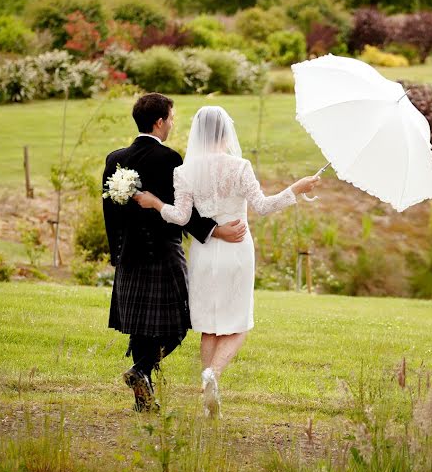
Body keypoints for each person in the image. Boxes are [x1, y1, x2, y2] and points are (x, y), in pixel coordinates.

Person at [133, 105, 319, 416]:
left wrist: (154, 203)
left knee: (209, 324)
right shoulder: (240, 166)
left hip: (205, 253)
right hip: (237, 251)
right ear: (225, 132)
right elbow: (261, 206)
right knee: (239, 321)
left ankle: (208, 404)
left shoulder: (184, 171)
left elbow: (179, 217)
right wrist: (296, 190)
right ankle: (212, 375)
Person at [103, 93, 247, 412]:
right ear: (159, 121)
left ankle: (144, 399)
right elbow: (186, 210)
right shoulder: (168, 158)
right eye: (170, 117)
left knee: (141, 327)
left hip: (128, 256)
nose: (172, 123)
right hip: (163, 254)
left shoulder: (115, 159)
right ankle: (141, 370)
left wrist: (117, 253)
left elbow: (109, 212)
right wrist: (215, 230)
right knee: (180, 323)